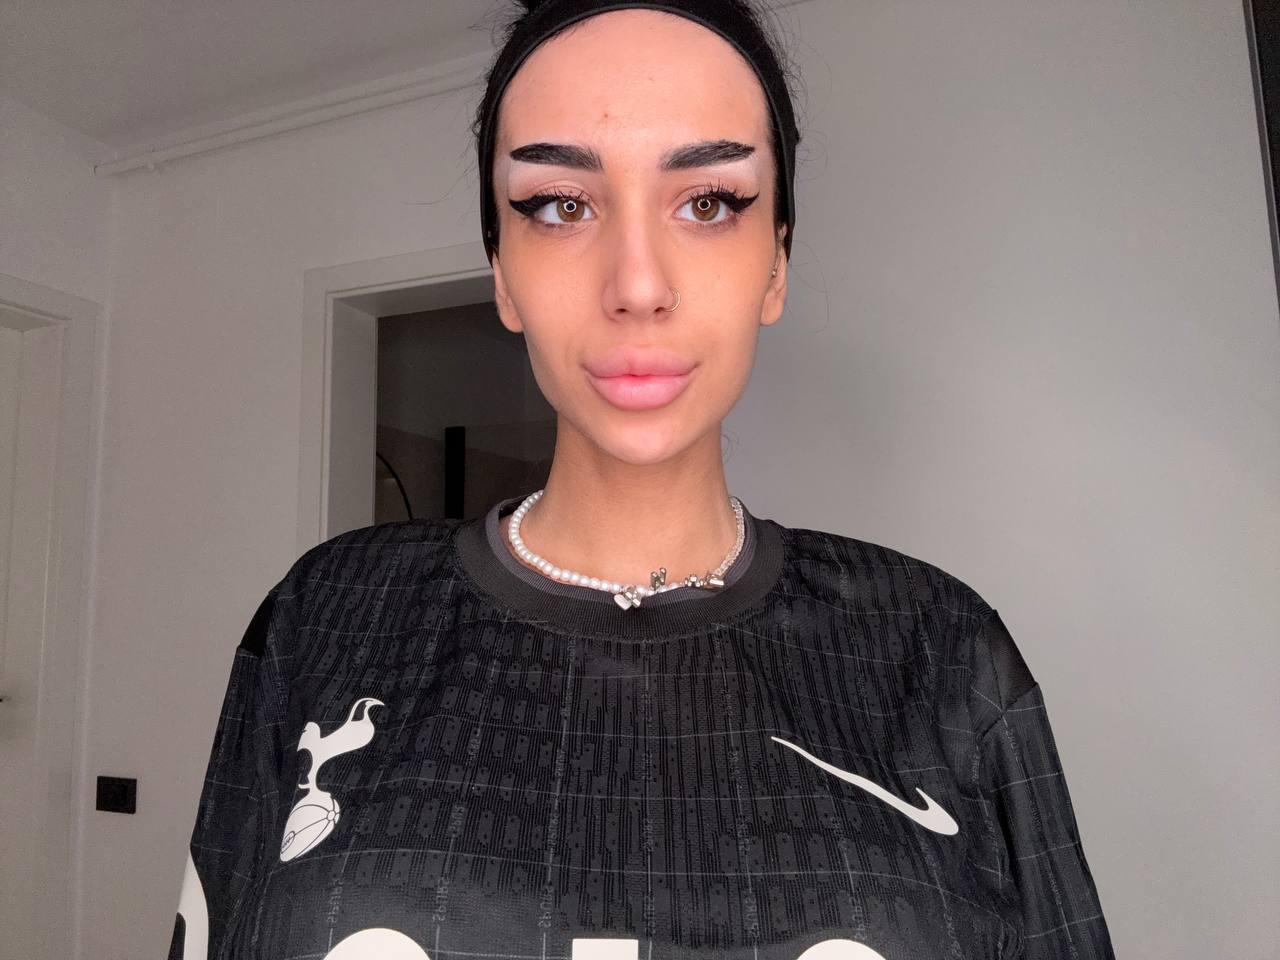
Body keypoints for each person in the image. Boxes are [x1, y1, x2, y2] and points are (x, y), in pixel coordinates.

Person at [168, 2, 1115, 958]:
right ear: (502, 273)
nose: (637, 285)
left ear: (776, 262)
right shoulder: (328, 615)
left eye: (709, 203)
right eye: (560, 205)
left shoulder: (942, 651)